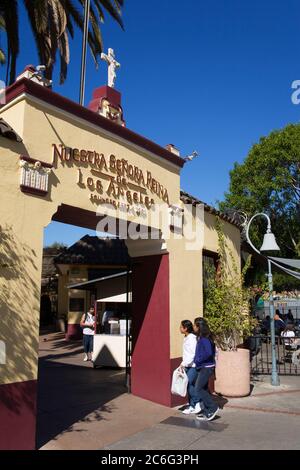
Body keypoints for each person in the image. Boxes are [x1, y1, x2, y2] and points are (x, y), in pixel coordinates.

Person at [193, 318, 219, 421]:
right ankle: (207, 410)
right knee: (203, 388)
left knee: (198, 389)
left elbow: (208, 353)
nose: (193, 327)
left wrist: (198, 360)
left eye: (195, 325)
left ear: (199, 327)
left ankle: (213, 407)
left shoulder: (204, 339)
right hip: (204, 366)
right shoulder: (201, 338)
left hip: (206, 367)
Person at [179, 320, 201, 415]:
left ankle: (197, 403)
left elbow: (192, 354)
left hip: (193, 366)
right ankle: (192, 405)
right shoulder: (186, 337)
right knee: (188, 385)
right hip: (187, 365)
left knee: (188, 383)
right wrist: (183, 363)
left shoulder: (192, 338)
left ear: (185, 328)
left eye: (181, 327)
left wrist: (184, 363)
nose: (179, 328)